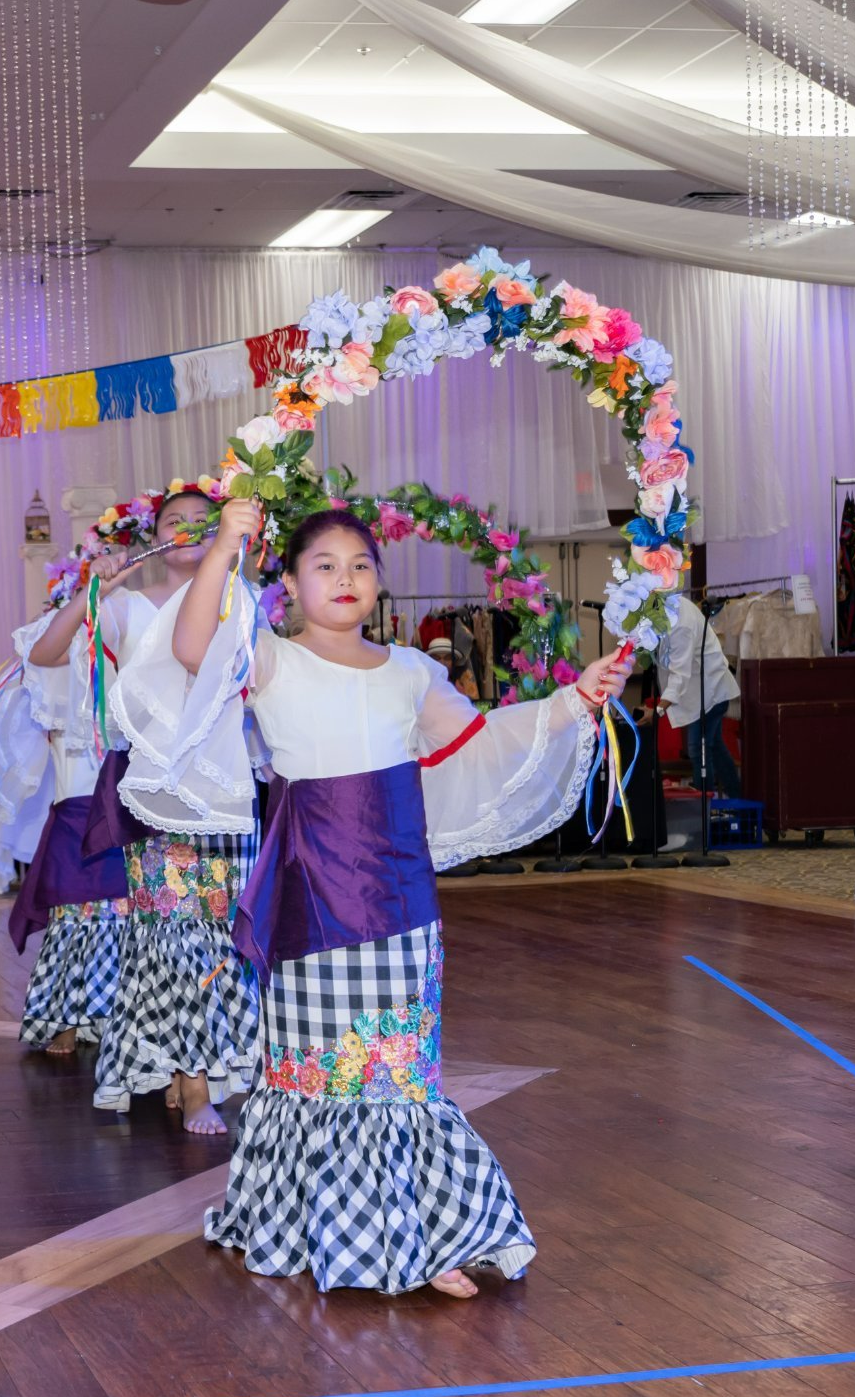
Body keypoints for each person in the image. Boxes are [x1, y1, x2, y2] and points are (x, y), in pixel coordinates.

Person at [134, 500, 629, 1297]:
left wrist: (576, 699)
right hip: (308, 896)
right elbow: (191, 645)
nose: (344, 577)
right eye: (323, 564)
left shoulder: (411, 672)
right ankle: (311, 1220)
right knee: (319, 1070)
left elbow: (482, 741)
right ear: (288, 584)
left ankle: (425, 1234)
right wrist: (228, 540)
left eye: (360, 565)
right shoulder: (267, 659)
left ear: (381, 584)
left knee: (398, 1073)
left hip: (400, 901)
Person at [94, 487, 261, 1135]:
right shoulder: (130, 606)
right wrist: (101, 585)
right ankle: (192, 1085)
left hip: (223, 793)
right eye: (175, 521)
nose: (191, 529)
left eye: (205, 521)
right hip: (158, 799)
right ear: (154, 532)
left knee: (220, 939)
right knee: (172, 941)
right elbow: (48, 652)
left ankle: (195, 1065)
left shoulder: (240, 600)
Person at [0, 550, 144, 1057]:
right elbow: (42, 667)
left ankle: (127, 1019)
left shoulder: (143, 639)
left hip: (133, 782)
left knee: (130, 910)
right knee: (77, 910)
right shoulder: (65, 646)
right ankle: (66, 1016)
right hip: (80, 785)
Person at [658, 592, 741, 800]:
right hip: (704, 689)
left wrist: (659, 710)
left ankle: (706, 810)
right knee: (714, 748)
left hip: (710, 690)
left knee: (699, 749)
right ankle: (738, 800)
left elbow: (680, 675)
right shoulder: (670, 612)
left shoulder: (681, 624)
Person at [426, 636, 479, 700]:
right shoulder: (422, 687)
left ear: (454, 662)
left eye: (447, 658)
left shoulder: (462, 686)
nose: (442, 662)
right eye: (436, 658)